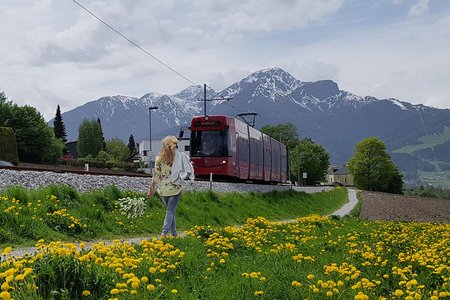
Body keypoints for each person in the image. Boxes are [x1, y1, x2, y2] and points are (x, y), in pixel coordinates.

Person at [147, 135, 194, 237]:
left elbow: (156, 175)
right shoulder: (179, 157)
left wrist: (151, 189)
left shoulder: (159, 159)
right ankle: (164, 233)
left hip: (163, 188)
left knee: (169, 210)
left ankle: (174, 234)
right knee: (170, 210)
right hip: (175, 188)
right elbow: (186, 170)